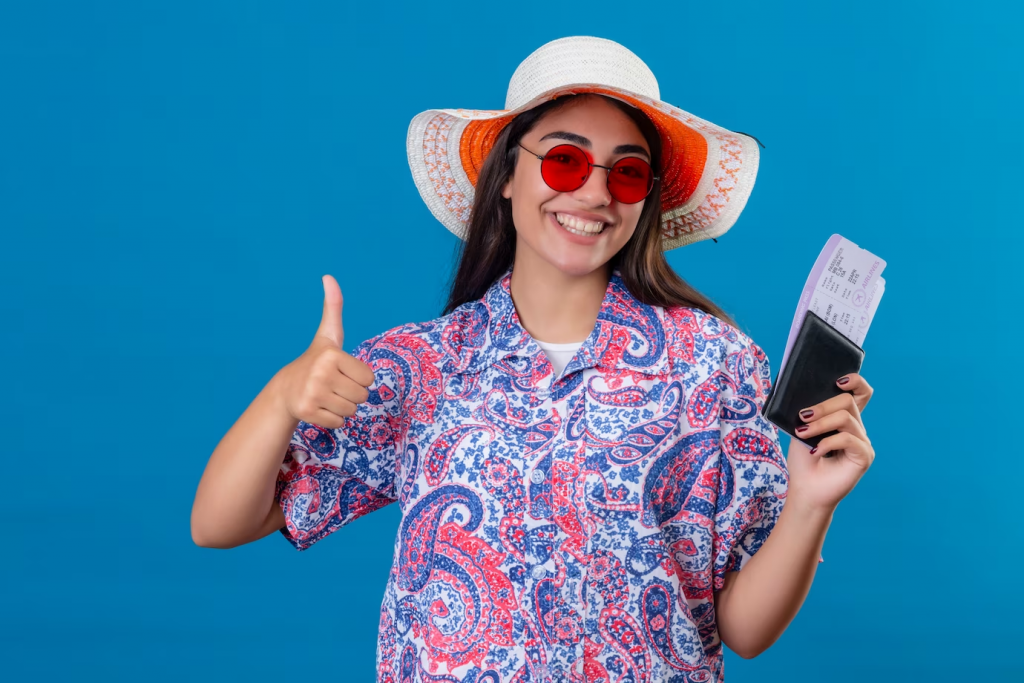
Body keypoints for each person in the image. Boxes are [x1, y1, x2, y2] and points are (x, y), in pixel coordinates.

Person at [191, 36, 876, 683]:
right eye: (565, 160)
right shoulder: (420, 366)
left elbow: (745, 629)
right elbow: (220, 523)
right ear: (508, 176)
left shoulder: (716, 365)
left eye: (628, 173)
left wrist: (812, 503)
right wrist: (283, 395)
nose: (594, 193)